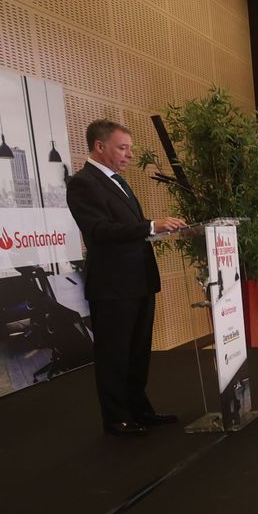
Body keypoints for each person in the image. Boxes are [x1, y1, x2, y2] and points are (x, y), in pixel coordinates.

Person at [66, 120, 186, 435]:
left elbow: (127, 228)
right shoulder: (83, 183)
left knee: (137, 351)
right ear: (99, 146)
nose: (130, 154)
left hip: (138, 279)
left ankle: (140, 410)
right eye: (123, 147)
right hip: (113, 285)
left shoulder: (117, 181)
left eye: (130, 148)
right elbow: (99, 231)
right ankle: (117, 418)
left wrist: (157, 228)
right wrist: (150, 226)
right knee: (114, 354)